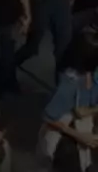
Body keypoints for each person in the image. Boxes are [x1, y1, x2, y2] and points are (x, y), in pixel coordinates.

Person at [39, 29, 98, 172]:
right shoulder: (69, 84)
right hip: (66, 142)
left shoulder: (93, 74)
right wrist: (80, 136)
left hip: (85, 131)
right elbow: (48, 116)